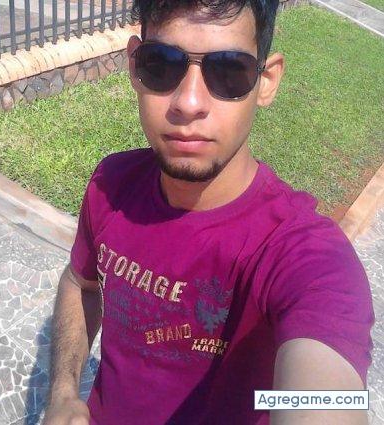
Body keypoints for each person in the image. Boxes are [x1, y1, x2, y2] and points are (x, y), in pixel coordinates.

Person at [42, 0, 375, 424]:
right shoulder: (112, 184)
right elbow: (81, 283)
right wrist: (64, 392)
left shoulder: (301, 253)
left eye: (228, 71)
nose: (189, 102)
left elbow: (328, 400)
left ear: (266, 81)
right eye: (162, 64)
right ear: (134, 66)